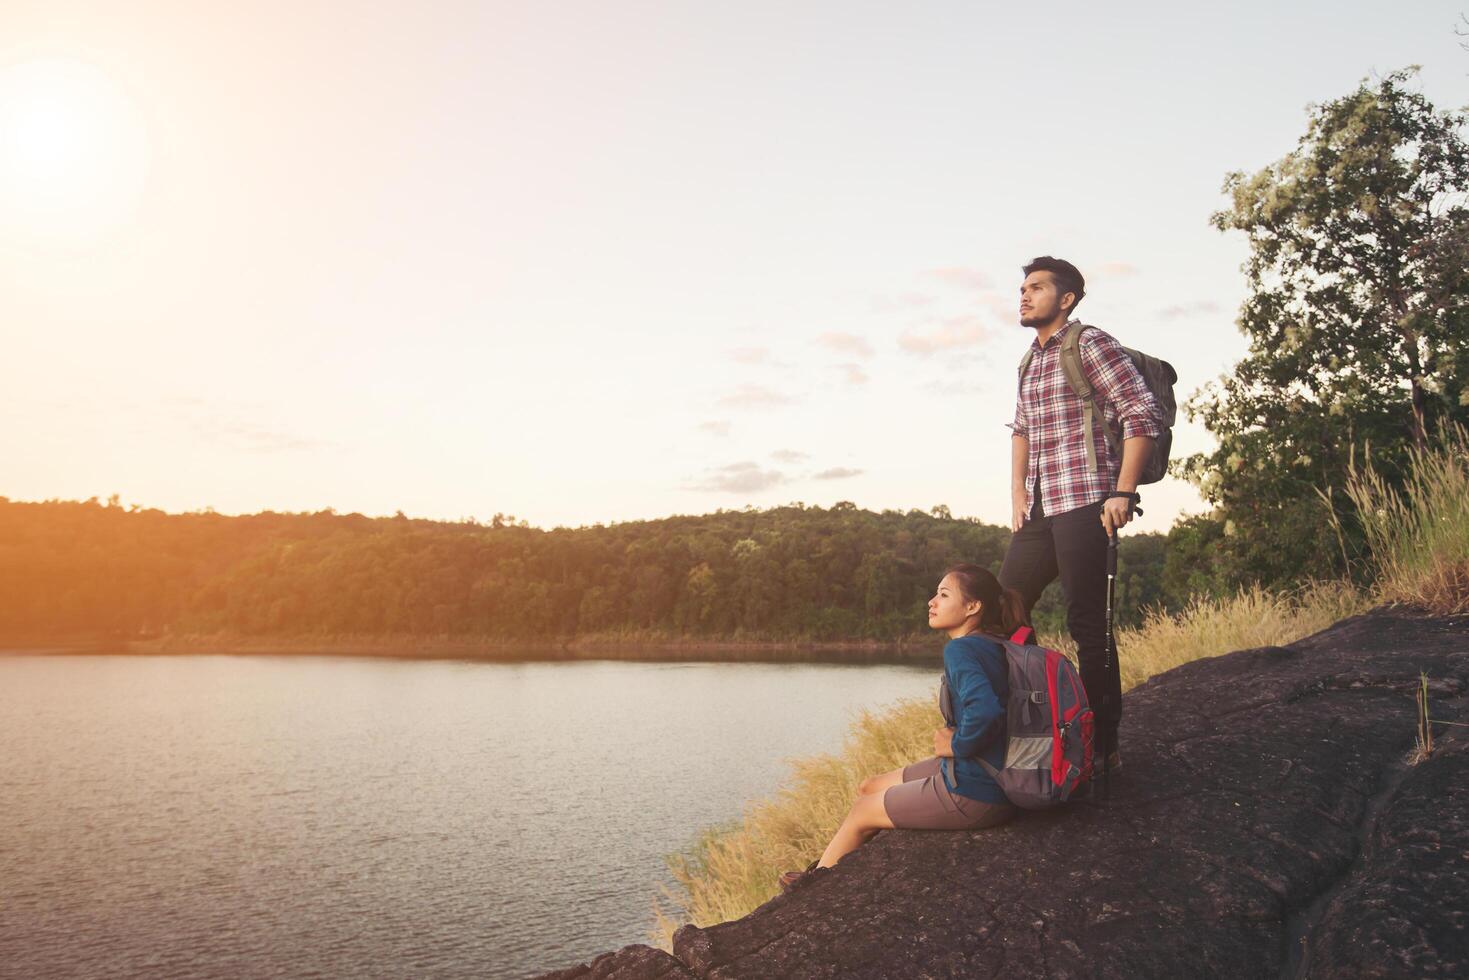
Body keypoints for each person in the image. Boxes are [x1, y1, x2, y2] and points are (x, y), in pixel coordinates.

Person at [999, 256, 1163, 773]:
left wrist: (1123, 492)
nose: (1024, 296)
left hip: (1089, 499)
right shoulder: (1028, 360)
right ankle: (1036, 719)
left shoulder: (1090, 344)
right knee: (1003, 608)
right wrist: (1017, 492)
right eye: (1022, 288)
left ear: (1065, 299)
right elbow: (1021, 428)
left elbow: (1143, 414)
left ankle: (1101, 743)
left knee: (1088, 624)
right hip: (1043, 504)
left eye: (1037, 288)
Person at [778, 564, 1029, 891]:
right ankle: (840, 864)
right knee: (871, 786)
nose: (931, 601)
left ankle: (814, 890)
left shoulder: (961, 649)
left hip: (978, 792)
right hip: (989, 773)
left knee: (861, 812)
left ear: (972, 607)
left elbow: (986, 711)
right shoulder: (996, 643)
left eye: (943, 594)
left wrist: (956, 744)